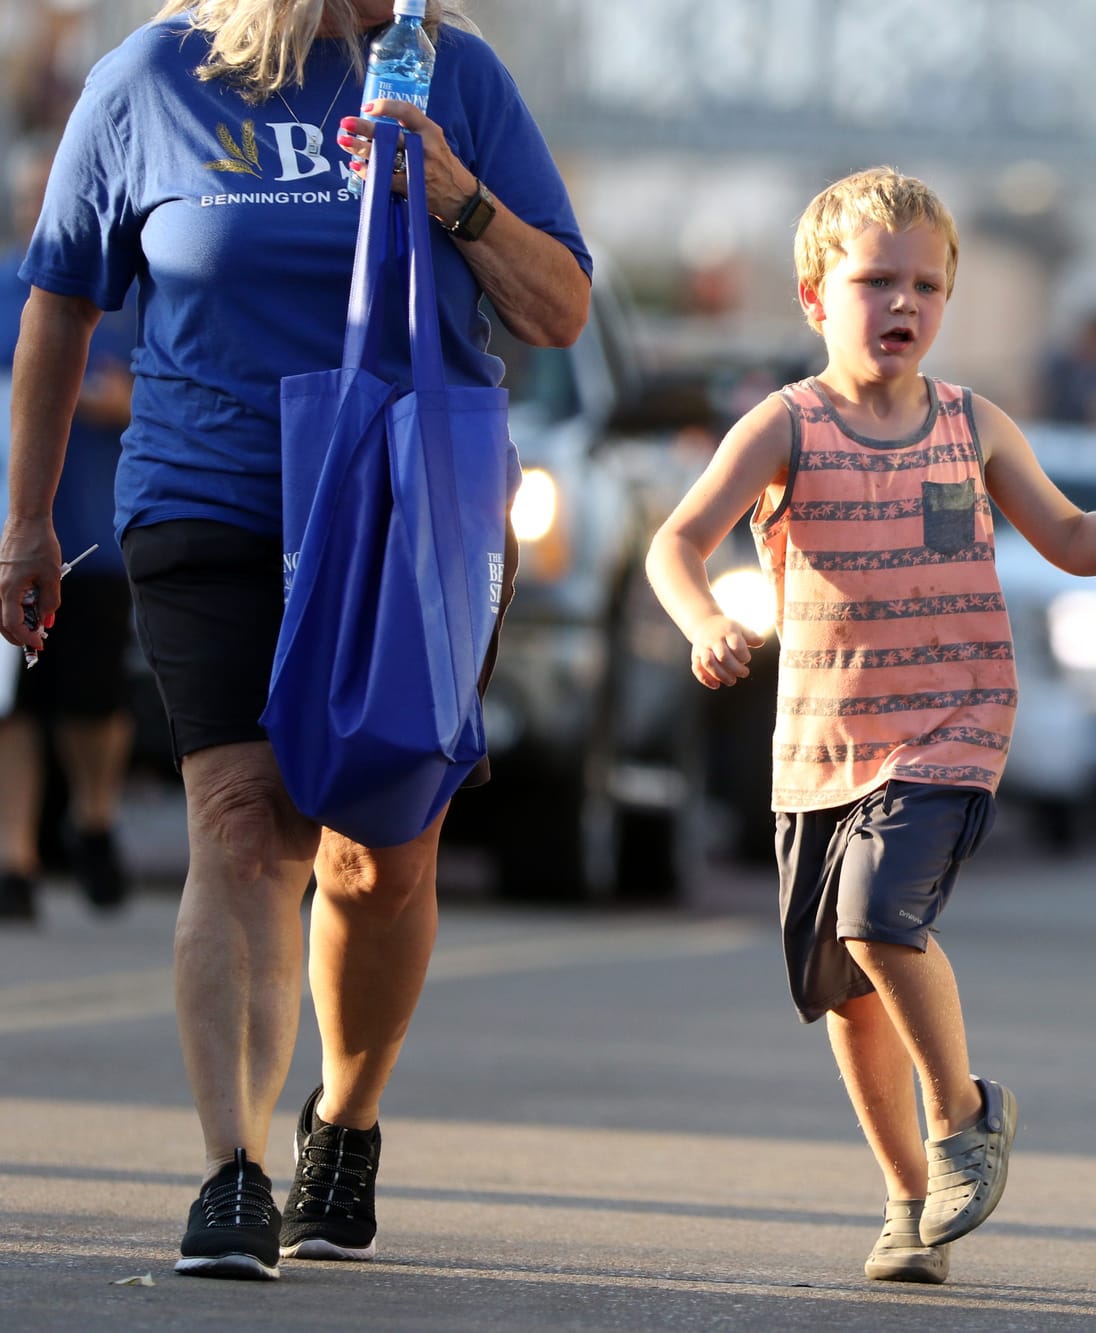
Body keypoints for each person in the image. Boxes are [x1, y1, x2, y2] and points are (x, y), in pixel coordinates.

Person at [0, 0, 589, 1280]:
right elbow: (60, 300)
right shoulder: (153, 77)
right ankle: (233, 1168)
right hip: (208, 492)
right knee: (240, 820)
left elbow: (559, 310)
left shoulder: (459, 75)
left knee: (379, 852)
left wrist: (456, 195)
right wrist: (28, 520)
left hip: (408, 510)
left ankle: (346, 1120)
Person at [645, 166, 1096, 1285]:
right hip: (818, 748)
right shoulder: (784, 426)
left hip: (950, 726)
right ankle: (906, 1202)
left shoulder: (972, 425)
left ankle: (963, 1114)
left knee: (880, 919)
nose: (903, 303)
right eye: (875, 280)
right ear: (813, 296)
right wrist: (704, 620)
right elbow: (674, 543)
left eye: (926, 286)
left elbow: (1069, 534)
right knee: (844, 989)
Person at [0, 134, 138, 923]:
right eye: (28, 199)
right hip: (9, 531)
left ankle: (93, 814)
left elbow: (155, 388)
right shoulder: (4, 287)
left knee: (90, 700)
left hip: (92, 532)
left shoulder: (125, 289)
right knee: (14, 705)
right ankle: (15, 857)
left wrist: (109, 401)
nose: (37, 212)